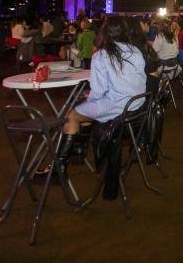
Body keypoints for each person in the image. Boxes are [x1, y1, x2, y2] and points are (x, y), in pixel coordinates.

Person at [55, 16, 147, 183]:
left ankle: (60, 166)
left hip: (118, 109)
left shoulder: (102, 55)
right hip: (137, 109)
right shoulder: (136, 51)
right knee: (86, 110)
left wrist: (88, 99)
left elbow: (98, 92)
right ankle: (77, 151)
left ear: (104, 32)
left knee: (72, 114)